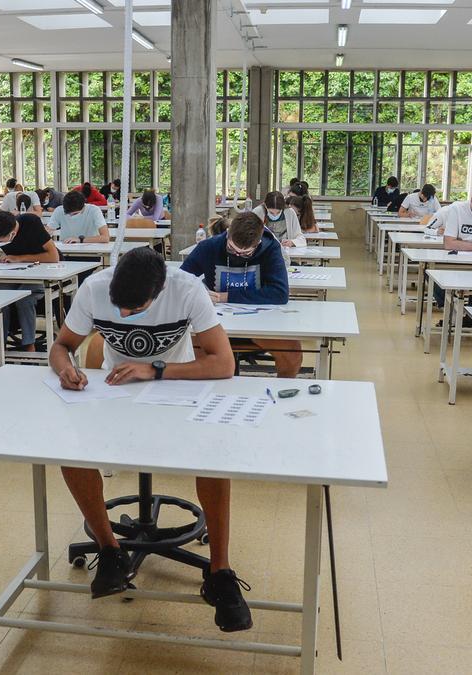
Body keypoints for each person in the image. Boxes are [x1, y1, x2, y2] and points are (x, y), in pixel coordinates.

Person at [49, 247, 250, 632]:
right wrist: (65, 370)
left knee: (212, 456)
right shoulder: (94, 288)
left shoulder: (187, 289)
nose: (124, 316)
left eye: (135, 309)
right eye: (119, 308)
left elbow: (224, 363)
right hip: (114, 392)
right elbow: (62, 346)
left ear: (159, 291)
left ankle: (220, 572)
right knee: (71, 452)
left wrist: (154, 369)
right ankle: (110, 551)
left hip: (176, 388)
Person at [181, 211, 302, 378]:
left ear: (258, 243)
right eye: (232, 249)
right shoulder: (209, 247)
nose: (237, 255)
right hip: (213, 323)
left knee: (292, 353)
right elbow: (182, 282)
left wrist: (226, 297)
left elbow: (280, 293)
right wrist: (200, 293)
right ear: (228, 234)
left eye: (245, 254)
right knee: (190, 346)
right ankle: (206, 393)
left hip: (261, 324)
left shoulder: (270, 248)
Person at [0, 211, 58, 351]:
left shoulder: (30, 222)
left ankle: (29, 345)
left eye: (0, 240)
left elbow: (53, 256)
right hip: (12, 272)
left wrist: (20, 258)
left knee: (24, 298)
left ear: (12, 233)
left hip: (40, 271)